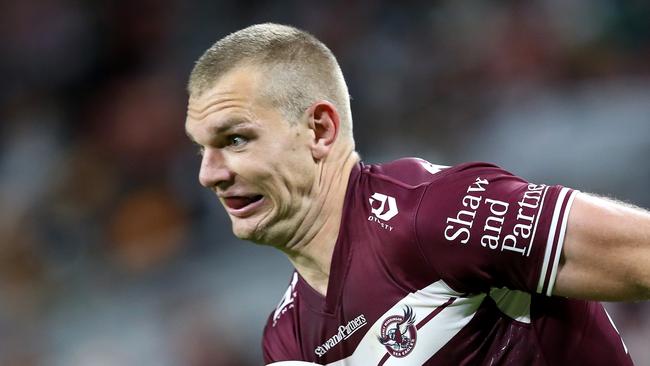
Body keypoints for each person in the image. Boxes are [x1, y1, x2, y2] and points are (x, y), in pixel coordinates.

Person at [184, 23, 650, 365]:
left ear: (320, 130)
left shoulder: (436, 214)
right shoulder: (287, 341)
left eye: (235, 139)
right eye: (202, 148)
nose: (209, 173)